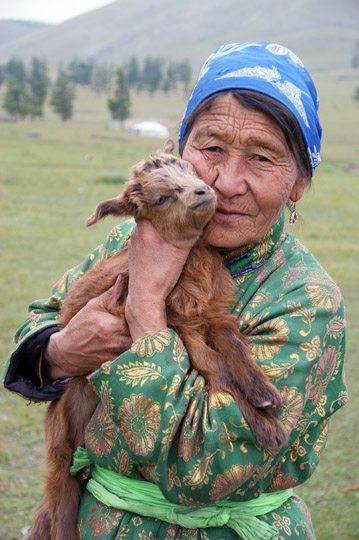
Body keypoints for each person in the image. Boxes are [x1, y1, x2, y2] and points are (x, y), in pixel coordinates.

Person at [3, 42, 347, 540]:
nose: (226, 182)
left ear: (299, 181)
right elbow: (40, 322)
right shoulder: (134, 235)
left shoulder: (306, 298)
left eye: (262, 157)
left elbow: (206, 469)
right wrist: (60, 351)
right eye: (210, 148)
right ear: (180, 149)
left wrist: (144, 306)